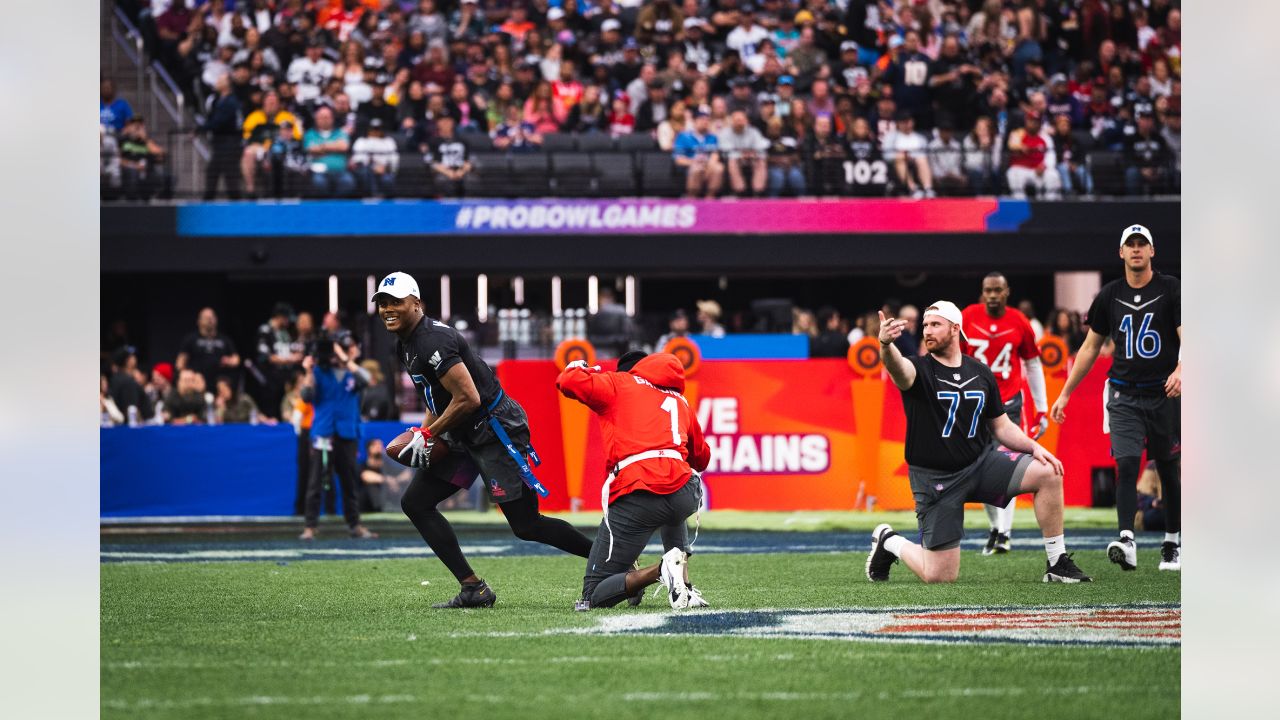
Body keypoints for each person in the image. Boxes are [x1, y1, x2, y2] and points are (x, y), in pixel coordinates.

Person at [373, 272, 594, 608]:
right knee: (415, 502)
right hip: (463, 430)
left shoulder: (432, 341)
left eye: (396, 302)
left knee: (527, 525)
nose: (389, 309)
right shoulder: (406, 341)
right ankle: (473, 588)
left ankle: (613, 562)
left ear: (416, 304)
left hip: (493, 429)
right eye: (383, 303)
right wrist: (422, 431)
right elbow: (440, 399)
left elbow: (468, 398)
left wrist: (429, 433)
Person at [866, 301, 1091, 584]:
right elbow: (899, 369)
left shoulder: (980, 371)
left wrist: (1035, 447)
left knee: (1049, 471)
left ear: (955, 328)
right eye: (925, 325)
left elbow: (1000, 425)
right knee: (940, 576)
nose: (927, 331)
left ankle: (1057, 562)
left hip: (980, 465)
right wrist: (886, 346)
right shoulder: (918, 368)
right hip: (937, 478)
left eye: (935, 324)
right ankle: (889, 541)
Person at [1050, 224, 1181, 571]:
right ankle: (1127, 539)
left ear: (1152, 251)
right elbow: (1091, 347)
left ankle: (1172, 543)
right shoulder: (1109, 295)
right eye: (1130, 245)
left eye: (1142, 244)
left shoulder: (1170, 289)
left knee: (1168, 468)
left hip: (1163, 393)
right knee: (1125, 463)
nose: (1136, 250)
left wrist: (1181, 369)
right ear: (1121, 252)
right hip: (1123, 393)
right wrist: (1065, 393)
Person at [557, 351, 712, 610]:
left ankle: (660, 570)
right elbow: (702, 459)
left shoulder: (621, 383)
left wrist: (582, 366)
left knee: (592, 595)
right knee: (672, 502)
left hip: (640, 487)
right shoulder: (679, 400)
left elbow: (568, 381)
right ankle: (684, 586)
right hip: (685, 490)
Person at [961, 273, 1051, 555]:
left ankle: (1005, 533)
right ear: (982, 291)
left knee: (1004, 465)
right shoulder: (967, 317)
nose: (992, 296)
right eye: (988, 290)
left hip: (1008, 402)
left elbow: (1033, 364)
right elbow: (954, 357)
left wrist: (1042, 407)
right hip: (974, 402)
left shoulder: (1018, 321)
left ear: (1007, 291)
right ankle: (995, 528)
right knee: (978, 468)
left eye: (997, 290)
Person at [298, 337, 378, 540]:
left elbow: (367, 380)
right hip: (323, 432)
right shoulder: (318, 371)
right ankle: (310, 526)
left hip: (347, 433)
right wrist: (308, 371)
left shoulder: (353, 373)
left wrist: (345, 359)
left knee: (349, 481)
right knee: (315, 481)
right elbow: (306, 396)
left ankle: (355, 525)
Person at [177, 308, 241, 391]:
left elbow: (236, 359)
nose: (210, 320)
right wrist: (186, 374)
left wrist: (229, 361)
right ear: (199, 321)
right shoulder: (191, 339)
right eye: (206, 318)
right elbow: (180, 362)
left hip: (220, 383)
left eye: (212, 317)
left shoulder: (225, 340)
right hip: (197, 382)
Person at [673, 107, 723, 198]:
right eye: (702, 119)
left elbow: (715, 154)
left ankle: (710, 197)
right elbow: (678, 159)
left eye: (707, 119)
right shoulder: (683, 136)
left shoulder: (712, 137)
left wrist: (710, 165)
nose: (705, 122)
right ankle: (692, 197)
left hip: (708, 167)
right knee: (697, 168)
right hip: (690, 167)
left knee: (718, 168)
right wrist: (694, 162)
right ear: (694, 121)